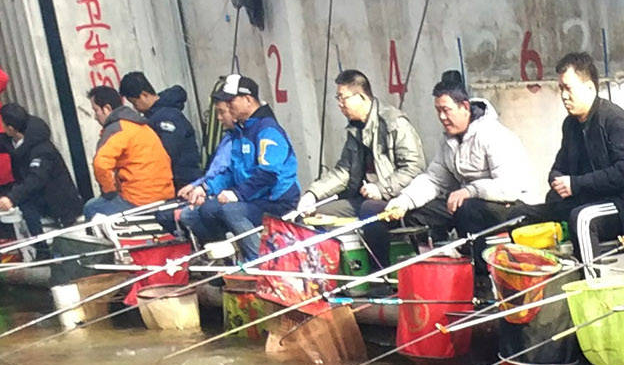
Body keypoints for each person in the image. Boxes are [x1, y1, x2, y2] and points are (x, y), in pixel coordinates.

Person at [382, 72, 542, 242]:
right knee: (418, 214)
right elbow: (434, 179)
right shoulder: (449, 141)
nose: (442, 117)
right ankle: (436, 260)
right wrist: (404, 201)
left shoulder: (494, 135)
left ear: (465, 107)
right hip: (467, 204)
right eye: (438, 111)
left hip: (513, 205)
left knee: (467, 208)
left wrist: (469, 191)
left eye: (446, 110)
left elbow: (510, 186)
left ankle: (477, 264)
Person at [297, 69, 426, 262]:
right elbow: (344, 171)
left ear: (361, 97)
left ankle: (379, 272)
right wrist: (313, 194)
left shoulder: (394, 122)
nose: (340, 104)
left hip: (395, 198)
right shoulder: (355, 128)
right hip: (360, 197)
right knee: (312, 216)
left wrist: (382, 188)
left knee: (369, 209)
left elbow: (414, 167)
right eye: (338, 98)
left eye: (343, 98)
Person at [175, 73, 301, 260]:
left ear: (248, 100)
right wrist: (205, 187)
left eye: (231, 101)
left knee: (231, 210)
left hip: (276, 201)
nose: (227, 106)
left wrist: (237, 194)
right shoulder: (241, 132)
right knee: (192, 214)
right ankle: (224, 264)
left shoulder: (268, 130)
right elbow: (230, 173)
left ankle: (259, 265)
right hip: (252, 199)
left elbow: (269, 174)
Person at [538, 52, 624, 247]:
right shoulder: (570, 125)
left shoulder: (614, 119)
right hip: (593, 198)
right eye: (560, 89)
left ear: (589, 87)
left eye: (568, 88)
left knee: (583, 219)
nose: (563, 96)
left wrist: (576, 184)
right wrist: (557, 181)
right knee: (527, 214)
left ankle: (592, 275)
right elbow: (559, 167)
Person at [82, 84, 176, 221]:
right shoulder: (141, 125)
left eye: (96, 110)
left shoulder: (116, 129)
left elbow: (101, 164)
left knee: (91, 207)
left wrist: (109, 192)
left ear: (107, 109)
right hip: (165, 194)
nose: (95, 117)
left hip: (139, 200)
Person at [0, 106, 85, 239]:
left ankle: (42, 249)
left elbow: (36, 178)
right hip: (36, 196)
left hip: (59, 203)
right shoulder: (12, 140)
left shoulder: (42, 149)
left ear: (10, 128)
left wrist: (12, 198)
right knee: (24, 208)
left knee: (26, 206)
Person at [120, 73, 203, 191]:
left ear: (144, 95)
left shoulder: (167, 117)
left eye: (134, 103)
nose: (135, 108)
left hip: (183, 181)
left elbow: (167, 153)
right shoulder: (155, 116)